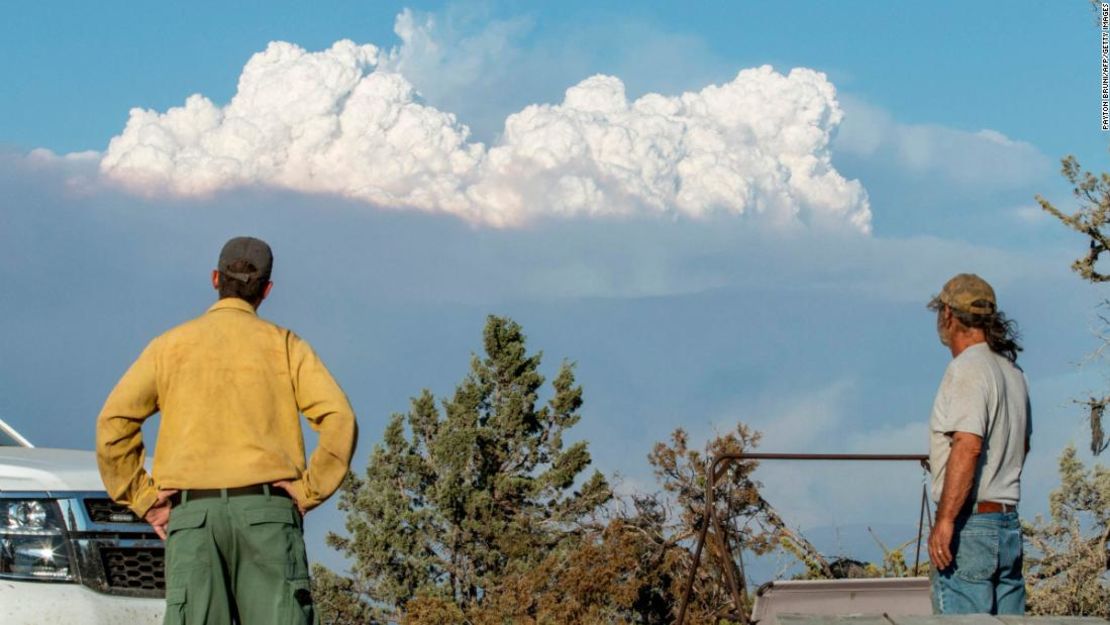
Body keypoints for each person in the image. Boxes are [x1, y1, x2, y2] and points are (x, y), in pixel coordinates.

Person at [96, 236, 357, 625]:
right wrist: (308, 490)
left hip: (192, 517)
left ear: (215, 278)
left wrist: (143, 497)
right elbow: (340, 418)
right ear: (266, 290)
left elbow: (114, 423)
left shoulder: (169, 347)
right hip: (269, 514)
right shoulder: (285, 346)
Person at [926, 273, 1030, 615]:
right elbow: (1022, 446)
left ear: (948, 315)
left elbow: (967, 445)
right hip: (1008, 523)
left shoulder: (967, 369)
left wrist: (945, 520)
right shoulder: (1013, 373)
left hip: (971, 525)